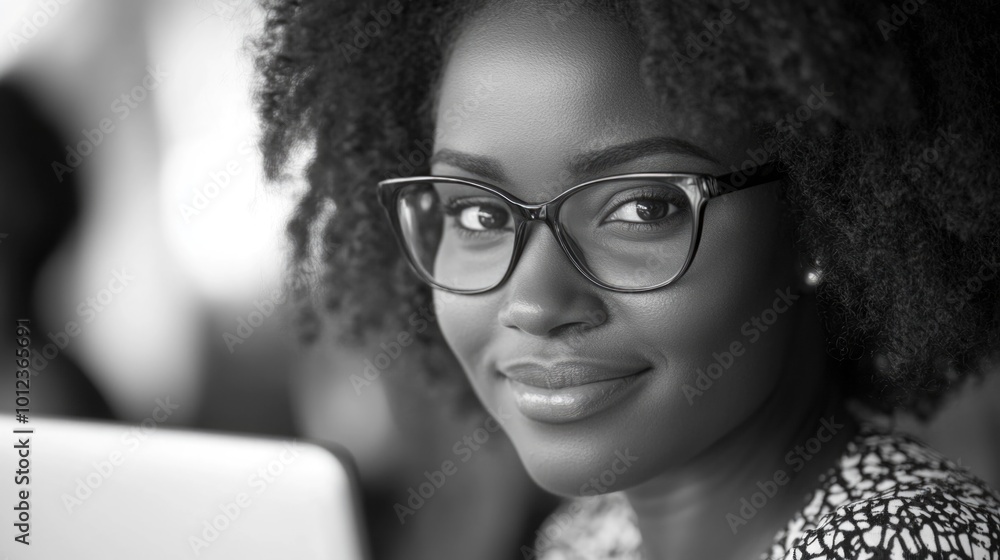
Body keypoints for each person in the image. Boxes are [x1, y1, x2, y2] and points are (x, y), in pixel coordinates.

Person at [254, 0, 1000, 558]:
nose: (537, 303)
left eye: (643, 207)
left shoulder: (913, 543)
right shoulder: (591, 537)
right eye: (478, 215)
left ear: (827, 221)